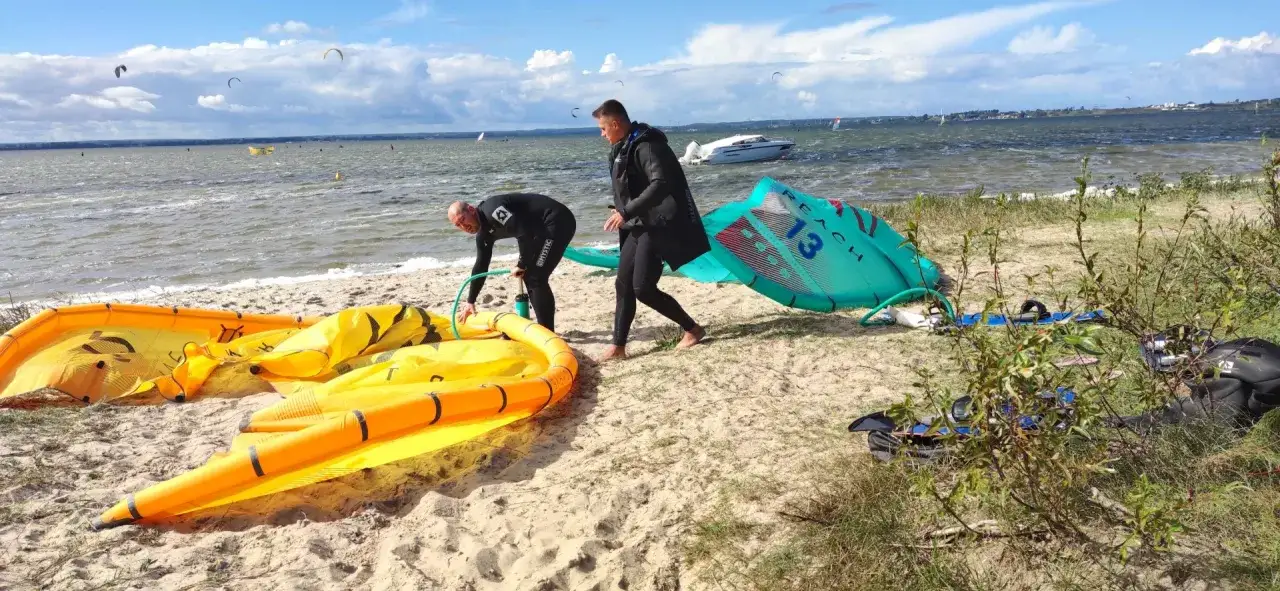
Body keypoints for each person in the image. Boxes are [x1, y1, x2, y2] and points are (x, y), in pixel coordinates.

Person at [593, 99, 708, 361]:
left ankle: (692, 329)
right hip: (637, 224)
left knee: (643, 288)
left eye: (603, 128)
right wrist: (622, 211)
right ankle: (618, 347)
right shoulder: (626, 144)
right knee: (623, 284)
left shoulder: (648, 145)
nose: (602, 134)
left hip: (657, 225)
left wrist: (626, 211)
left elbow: (660, 184)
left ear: (615, 123)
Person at [449, 193, 577, 332]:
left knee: (535, 277)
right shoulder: (483, 235)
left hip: (557, 220)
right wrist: (470, 301)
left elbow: (522, 232)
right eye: (458, 225)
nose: (464, 226)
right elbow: (481, 265)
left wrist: (521, 264)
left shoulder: (494, 211)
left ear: (471, 210)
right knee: (531, 276)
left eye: (462, 219)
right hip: (539, 230)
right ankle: (545, 330)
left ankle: (547, 332)